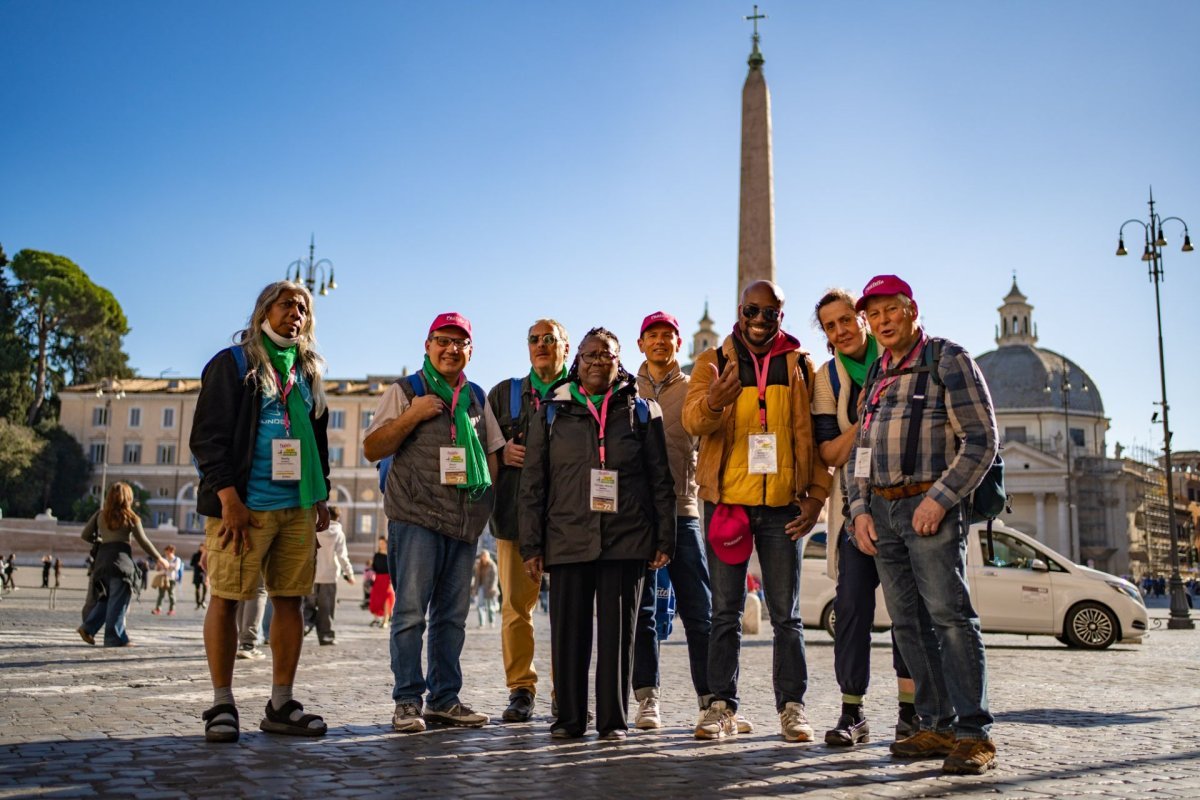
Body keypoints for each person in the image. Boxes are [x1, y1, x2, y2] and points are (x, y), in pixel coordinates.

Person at [846, 274, 999, 775]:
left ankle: (974, 732)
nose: (883, 321)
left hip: (929, 509)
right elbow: (860, 452)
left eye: (891, 310)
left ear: (912, 309)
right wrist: (859, 509)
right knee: (907, 623)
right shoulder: (877, 374)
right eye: (874, 313)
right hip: (883, 513)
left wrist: (939, 500)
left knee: (950, 618)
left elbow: (981, 439)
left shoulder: (948, 359)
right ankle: (935, 722)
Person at [683, 280, 831, 742]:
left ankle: (792, 707)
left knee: (786, 614)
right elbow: (692, 421)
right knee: (724, 610)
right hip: (728, 502)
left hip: (785, 504)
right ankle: (721, 706)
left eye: (771, 313)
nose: (761, 320)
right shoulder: (713, 362)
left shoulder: (803, 365)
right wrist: (714, 401)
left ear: (781, 317)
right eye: (753, 310)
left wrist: (817, 495)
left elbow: (819, 440)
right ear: (740, 312)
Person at [191, 280, 333, 743]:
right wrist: (228, 500)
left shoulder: (310, 371)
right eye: (288, 304)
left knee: (289, 600)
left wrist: (321, 496)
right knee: (228, 598)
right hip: (244, 508)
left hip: (295, 507)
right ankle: (221, 703)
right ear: (263, 312)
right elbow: (207, 439)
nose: (297, 313)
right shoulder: (232, 364)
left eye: (304, 308)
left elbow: (317, 442)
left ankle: (280, 703)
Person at [519, 327, 676, 741]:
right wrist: (531, 545)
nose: (596, 362)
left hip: (626, 537)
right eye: (589, 355)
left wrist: (665, 538)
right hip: (568, 536)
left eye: (605, 355)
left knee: (618, 637)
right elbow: (533, 482)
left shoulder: (643, 411)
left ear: (618, 359)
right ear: (578, 361)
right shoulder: (552, 410)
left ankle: (612, 722)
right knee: (568, 635)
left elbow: (661, 479)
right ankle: (569, 718)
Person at [363, 312, 503, 733]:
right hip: (416, 517)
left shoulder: (476, 397)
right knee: (409, 614)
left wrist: (484, 506)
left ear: (470, 351)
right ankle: (407, 701)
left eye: (460, 343)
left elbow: (492, 452)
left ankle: (445, 699)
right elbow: (373, 447)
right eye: (443, 340)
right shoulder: (406, 392)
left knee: (451, 619)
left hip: (462, 523)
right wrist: (413, 415)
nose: (451, 349)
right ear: (428, 346)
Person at [811, 288, 916, 746]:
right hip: (855, 506)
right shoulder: (825, 379)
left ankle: (911, 712)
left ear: (863, 320)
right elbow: (830, 451)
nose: (841, 331)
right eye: (830, 326)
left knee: (906, 609)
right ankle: (851, 711)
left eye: (846, 320)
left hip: (903, 503)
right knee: (852, 605)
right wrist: (868, 418)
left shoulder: (899, 358)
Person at [629, 311, 715, 732]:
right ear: (641, 343)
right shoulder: (625, 387)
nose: (660, 341)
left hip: (685, 508)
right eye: (653, 335)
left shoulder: (696, 389)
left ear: (679, 344)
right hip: (637, 514)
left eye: (668, 335)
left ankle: (712, 700)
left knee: (700, 610)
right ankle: (647, 698)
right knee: (642, 611)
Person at [486, 318, 570, 722]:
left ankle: (564, 689)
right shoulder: (504, 395)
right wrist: (500, 456)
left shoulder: (582, 391)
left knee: (569, 610)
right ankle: (521, 688)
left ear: (565, 347)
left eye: (549, 339)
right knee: (516, 608)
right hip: (515, 516)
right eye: (534, 340)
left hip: (570, 519)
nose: (541, 345)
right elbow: (481, 451)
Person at [76, 482, 169, 647]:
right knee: (119, 601)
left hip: (102, 562)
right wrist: (159, 558)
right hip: (121, 564)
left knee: (106, 599)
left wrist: (99, 540)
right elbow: (144, 542)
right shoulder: (131, 517)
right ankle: (114, 637)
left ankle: (88, 628)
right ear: (128, 498)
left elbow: (85, 535)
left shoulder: (100, 515)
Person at [305, 505, 355, 645]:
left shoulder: (315, 530)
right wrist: (349, 574)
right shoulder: (339, 533)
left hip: (312, 575)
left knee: (308, 605)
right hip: (330, 577)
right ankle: (326, 636)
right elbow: (342, 556)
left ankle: (304, 626)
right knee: (326, 608)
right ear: (338, 518)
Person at [367, 537, 393, 627]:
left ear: (386, 544)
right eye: (380, 543)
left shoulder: (391, 555)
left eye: (383, 543)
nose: (381, 545)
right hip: (378, 579)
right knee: (375, 598)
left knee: (387, 598)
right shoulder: (377, 555)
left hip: (387, 579)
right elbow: (374, 568)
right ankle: (376, 619)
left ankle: (385, 621)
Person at [152, 545, 183, 616]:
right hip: (163, 578)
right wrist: (159, 565)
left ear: (171, 551)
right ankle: (158, 609)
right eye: (165, 551)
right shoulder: (164, 558)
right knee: (161, 595)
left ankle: (172, 609)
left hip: (171, 579)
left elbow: (176, 568)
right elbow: (157, 569)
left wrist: (167, 565)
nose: (166, 553)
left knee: (171, 595)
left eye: (167, 551)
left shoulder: (177, 559)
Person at [473, 550, 499, 628]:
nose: (484, 557)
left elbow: (495, 578)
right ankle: (482, 623)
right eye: (482, 556)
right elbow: (477, 578)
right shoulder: (479, 565)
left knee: (490, 606)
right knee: (480, 605)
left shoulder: (492, 565)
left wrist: (493, 587)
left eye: (485, 556)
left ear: (488, 556)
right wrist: (475, 588)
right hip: (481, 587)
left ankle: (492, 621)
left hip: (490, 588)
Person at [191, 544, 208, 610]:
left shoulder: (207, 555)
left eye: (203, 547)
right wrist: (197, 563)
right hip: (197, 573)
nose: (202, 548)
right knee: (197, 589)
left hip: (204, 573)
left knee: (205, 587)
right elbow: (191, 563)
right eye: (201, 547)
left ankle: (203, 601)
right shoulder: (195, 555)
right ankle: (198, 603)